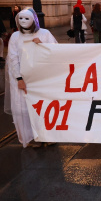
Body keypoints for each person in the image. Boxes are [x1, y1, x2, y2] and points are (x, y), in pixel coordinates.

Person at [6, 8, 57, 147]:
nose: (23, 21)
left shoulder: (45, 34)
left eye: (26, 18)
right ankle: (31, 137)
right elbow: (13, 58)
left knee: (44, 107)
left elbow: (56, 52)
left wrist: (42, 45)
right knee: (24, 110)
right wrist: (19, 79)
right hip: (24, 80)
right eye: (20, 18)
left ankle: (47, 135)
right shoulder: (15, 37)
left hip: (42, 78)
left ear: (34, 20)